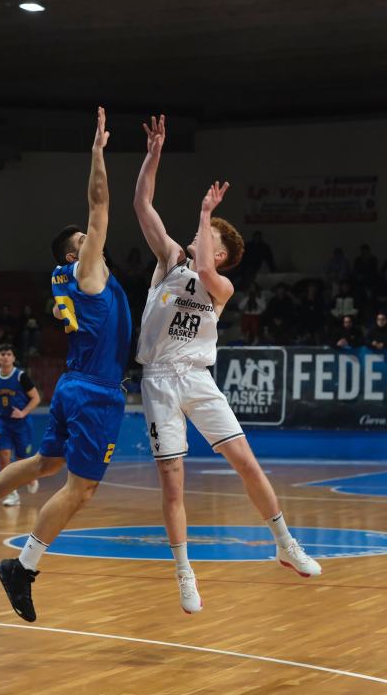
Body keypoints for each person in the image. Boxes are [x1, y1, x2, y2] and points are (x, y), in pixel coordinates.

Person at [0, 107, 132, 623]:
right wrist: (97, 153)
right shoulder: (88, 270)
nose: (94, 241)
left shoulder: (77, 280)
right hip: (94, 390)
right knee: (81, 488)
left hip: (75, 382)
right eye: (84, 241)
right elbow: (99, 203)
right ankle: (22, 567)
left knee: (46, 465)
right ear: (77, 252)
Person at [134, 114, 321, 615]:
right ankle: (184, 573)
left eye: (206, 236)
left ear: (218, 251)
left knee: (246, 462)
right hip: (158, 384)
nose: (197, 239)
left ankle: (285, 542)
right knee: (172, 485)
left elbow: (204, 269)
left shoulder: (220, 285)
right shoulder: (170, 259)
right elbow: (142, 204)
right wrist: (153, 156)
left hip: (197, 380)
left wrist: (205, 213)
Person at [0, 343, 41, 506]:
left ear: (13, 358)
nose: (5, 357)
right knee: (3, 458)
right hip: (3, 422)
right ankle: (12, 494)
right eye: (2, 354)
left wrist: (23, 412)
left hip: (21, 423)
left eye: (8, 354)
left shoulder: (21, 376)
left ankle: (31, 478)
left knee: (22, 461)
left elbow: (36, 398)